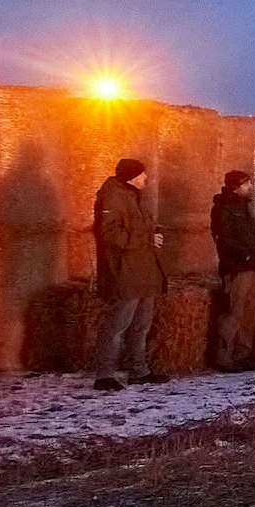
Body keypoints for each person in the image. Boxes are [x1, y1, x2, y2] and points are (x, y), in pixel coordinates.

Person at [91, 157, 168, 390]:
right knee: (117, 325)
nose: (147, 178)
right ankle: (104, 375)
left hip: (143, 270)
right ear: (132, 176)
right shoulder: (112, 197)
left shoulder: (135, 197)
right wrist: (147, 238)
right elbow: (109, 234)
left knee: (141, 326)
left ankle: (139, 371)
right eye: (143, 174)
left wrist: (153, 233)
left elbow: (138, 229)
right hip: (125, 271)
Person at [210, 170, 255, 372]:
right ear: (236, 187)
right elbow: (223, 237)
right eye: (246, 183)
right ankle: (223, 355)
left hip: (253, 266)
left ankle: (243, 353)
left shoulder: (244, 208)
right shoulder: (223, 208)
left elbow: (252, 237)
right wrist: (245, 255)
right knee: (234, 312)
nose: (250, 187)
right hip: (237, 268)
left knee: (249, 312)